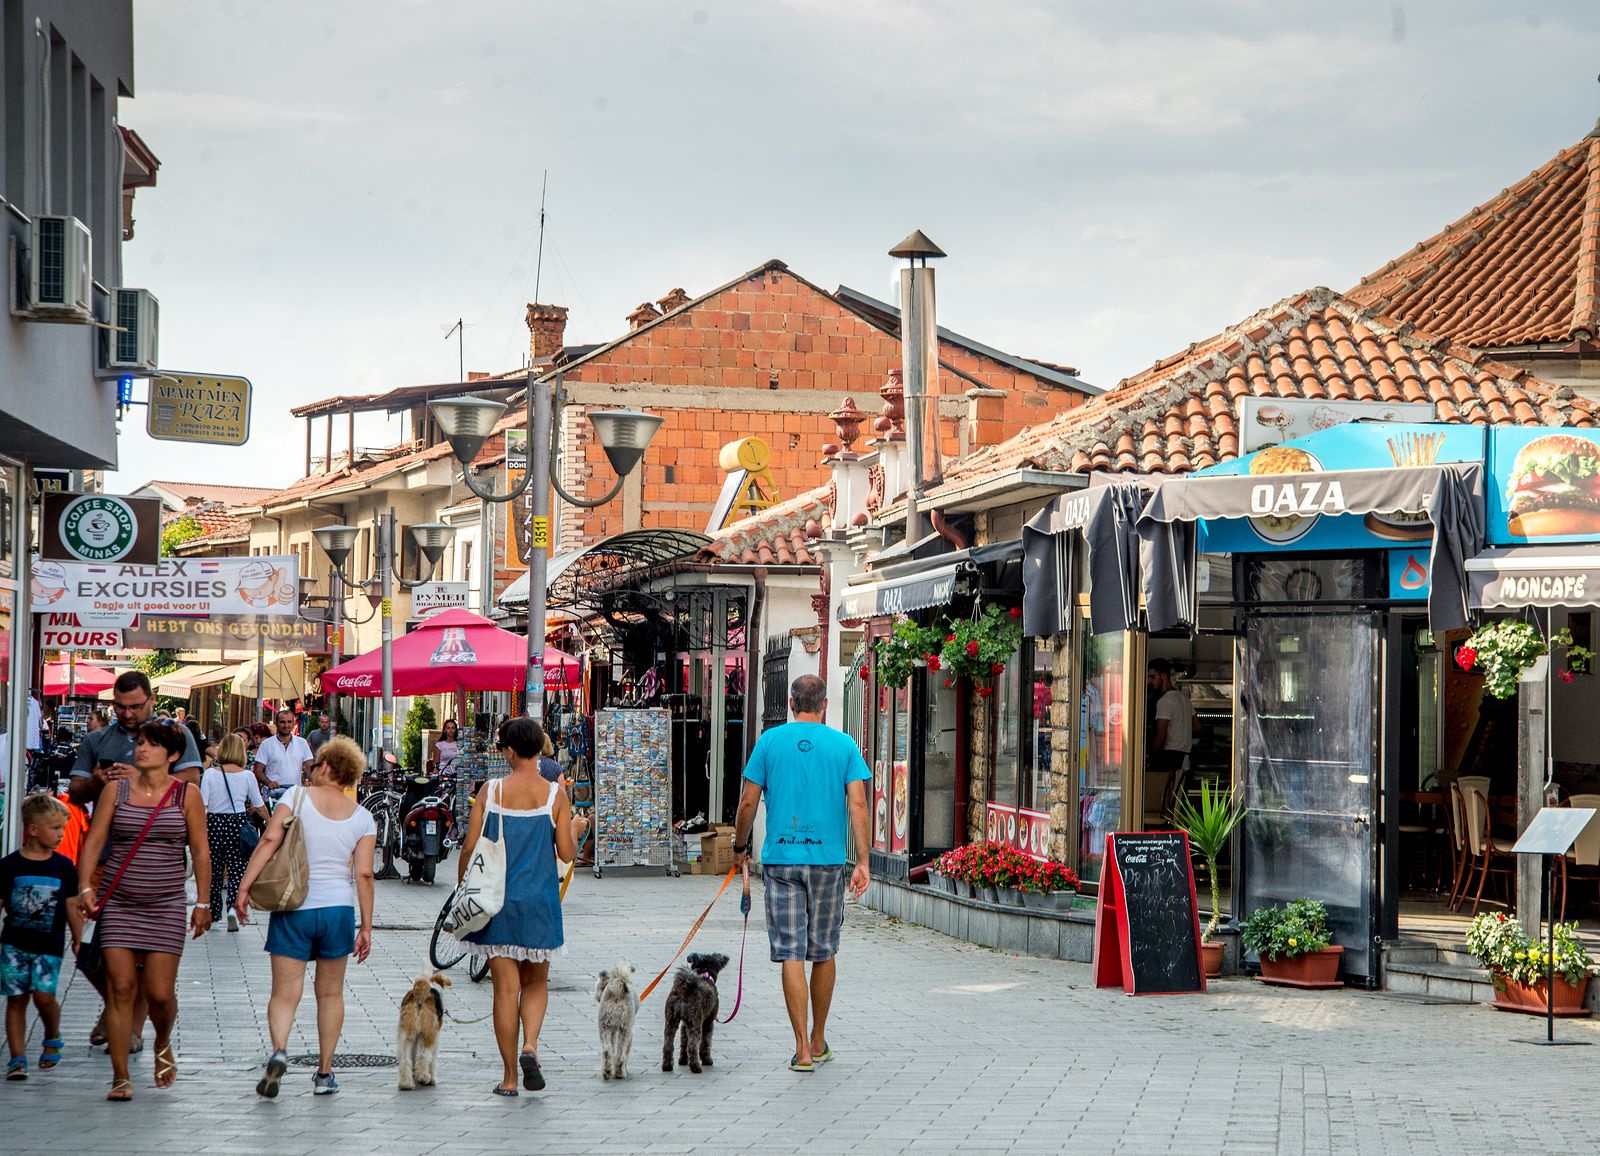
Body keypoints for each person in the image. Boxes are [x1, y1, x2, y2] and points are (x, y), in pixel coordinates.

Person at [731, 673, 870, 1074]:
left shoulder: (769, 742)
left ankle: (801, 1050)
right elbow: (858, 804)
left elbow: (748, 802)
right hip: (828, 861)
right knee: (823, 949)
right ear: (825, 704)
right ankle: (819, 1038)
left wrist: (739, 847)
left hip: (782, 860)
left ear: (791, 704)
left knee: (791, 951)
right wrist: (863, 861)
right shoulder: (844, 745)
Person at [66, 671, 203, 1054]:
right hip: (104, 860)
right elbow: (75, 790)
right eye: (119, 706)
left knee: (145, 963)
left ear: (151, 699)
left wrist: (141, 777)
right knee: (84, 947)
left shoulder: (174, 734)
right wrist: (100, 782)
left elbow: (192, 778)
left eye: (135, 706)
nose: (127, 713)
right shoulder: (97, 740)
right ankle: (116, 1004)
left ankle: (132, 1025)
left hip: (156, 866)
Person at [77, 719, 212, 1101]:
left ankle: (162, 1041)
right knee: (121, 988)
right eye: (140, 743)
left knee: (160, 994)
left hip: (166, 905)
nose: (141, 749)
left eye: (151, 744)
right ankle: (120, 1077)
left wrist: (203, 903)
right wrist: (85, 886)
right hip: (120, 904)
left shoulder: (186, 795)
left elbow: (200, 850)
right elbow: (94, 841)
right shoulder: (115, 791)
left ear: (172, 754)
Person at [236, 737, 376, 1098]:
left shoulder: (295, 797)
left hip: (293, 906)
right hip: (337, 910)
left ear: (325, 767)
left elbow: (268, 842)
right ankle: (325, 1074)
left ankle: (280, 1051)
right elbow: (364, 874)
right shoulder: (363, 818)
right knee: (330, 994)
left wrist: (244, 888)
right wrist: (366, 926)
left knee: (285, 993)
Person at [456, 718, 585, 1097]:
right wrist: (576, 829)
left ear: (510, 752)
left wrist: (464, 885)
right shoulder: (554, 795)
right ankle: (531, 1044)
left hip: (497, 902)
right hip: (540, 902)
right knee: (536, 983)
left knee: (504, 991)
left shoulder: (491, 791)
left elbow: (469, 847)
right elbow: (566, 853)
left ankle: (510, 1078)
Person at [1, 795, 84, 1080]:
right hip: (13, 944)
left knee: (44, 998)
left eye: (63, 828)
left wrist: (77, 938)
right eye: (55, 828)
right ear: (33, 829)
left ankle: (52, 1034)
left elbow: (71, 904)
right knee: (16, 999)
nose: (61, 834)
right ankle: (17, 1058)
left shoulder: (63, 867)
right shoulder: (9, 865)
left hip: (49, 945)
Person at [200, 733, 269, 932]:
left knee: (214, 872)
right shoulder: (247, 776)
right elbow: (259, 805)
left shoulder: (210, 774)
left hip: (214, 824)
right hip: (237, 824)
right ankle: (233, 909)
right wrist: (271, 822)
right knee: (237, 870)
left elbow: (203, 805)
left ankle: (214, 917)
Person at [1146, 658, 1197, 814]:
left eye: (1152, 676)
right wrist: (1181, 730)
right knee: (1177, 808)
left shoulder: (1164, 702)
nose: (1149, 681)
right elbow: (1197, 726)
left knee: (1163, 808)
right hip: (1185, 760)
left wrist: (1150, 757)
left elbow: (1161, 736)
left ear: (1164, 676)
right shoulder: (1184, 699)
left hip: (1169, 759)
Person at [253, 709, 314, 796]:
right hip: (273, 795)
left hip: (295, 795)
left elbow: (309, 767)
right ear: (276, 723)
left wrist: (310, 781)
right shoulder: (266, 744)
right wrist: (268, 782)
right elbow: (257, 770)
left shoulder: (302, 743)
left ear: (294, 723)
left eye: (289, 722)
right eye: (282, 722)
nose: (286, 725)